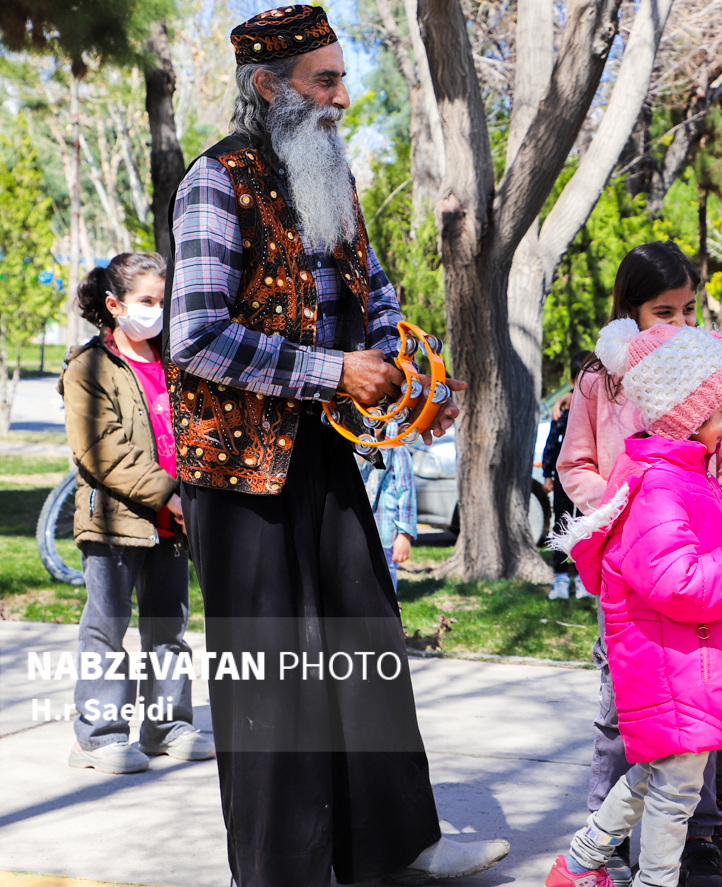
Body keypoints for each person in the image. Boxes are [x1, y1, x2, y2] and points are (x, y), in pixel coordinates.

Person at [166, 8, 503, 885]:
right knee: (272, 678)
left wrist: (404, 377)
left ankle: (399, 846)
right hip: (238, 470)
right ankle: (283, 870)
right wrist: (332, 371)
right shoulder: (215, 181)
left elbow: (373, 290)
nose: (343, 98)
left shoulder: (329, 173)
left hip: (320, 446)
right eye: (325, 80)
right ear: (267, 86)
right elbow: (195, 338)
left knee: (368, 642)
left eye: (342, 78)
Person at [545, 319, 722, 887]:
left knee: (658, 774)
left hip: (682, 657)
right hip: (673, 661)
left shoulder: (683, 476)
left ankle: (581, 861)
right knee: (675, 790)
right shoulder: (662, 487)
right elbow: (679, 583)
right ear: (687, 414)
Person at [557, 241, 722, 887]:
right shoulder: (599, 381)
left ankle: (699, 835)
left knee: (702, 706)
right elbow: (575, 466)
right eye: (663, 311)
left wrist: (713, 528)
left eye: (687, 308)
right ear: (629, 311)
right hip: (629, 569)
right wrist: (622, 512)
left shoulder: (707, 367)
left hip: (697, 569)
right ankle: (604, 841)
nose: (678, 322)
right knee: (622, 706)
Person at [61, 252, 213, 774]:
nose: (158, 311)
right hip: (114, 522)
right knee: (106, 631)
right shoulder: (88, 368)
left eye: (163, 301)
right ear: (115, 305)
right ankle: (97, 737)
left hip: (173, 522)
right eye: (147, 301)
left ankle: (167, 727)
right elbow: (101, 449)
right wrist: (168, 494)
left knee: (168, 630)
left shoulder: (176, 362)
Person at [546, 350, 592, 600]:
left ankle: (585, 577)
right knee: (562, 524)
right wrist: (547, 474)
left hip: (590, 477)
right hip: (564, 479)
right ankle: (561, 576)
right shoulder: (564, 409)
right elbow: (552, 443)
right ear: (573, 381)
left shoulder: (597, 407)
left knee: (587, 525)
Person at [357, 444, 416, 592]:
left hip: (385, 532)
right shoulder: (344, 449)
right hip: (354, 532)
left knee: (384, 580)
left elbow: (406, 493)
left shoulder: (397, 451)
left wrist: (404, 534)